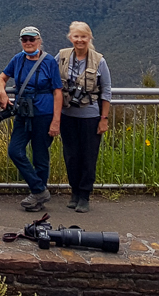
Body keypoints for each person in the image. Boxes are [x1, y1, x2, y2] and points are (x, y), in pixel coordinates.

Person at [0, 26, 63, 212]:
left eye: (32, 39)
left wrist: (56, 120)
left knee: (40, 156)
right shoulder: (17, 59)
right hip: (23, 113)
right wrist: (2, 94)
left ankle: (37, 199)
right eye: (25, 39)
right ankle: (39, 189)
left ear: (39, 41)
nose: (28, 43)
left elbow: (58, 92)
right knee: (15, 151)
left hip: (44, 114)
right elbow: (1, 78)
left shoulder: (49, 61)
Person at [57, 21, 113, 213]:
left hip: (90, 116)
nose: (80, 40)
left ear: (89, 38)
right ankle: (74, 192)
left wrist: (104, 119)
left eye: (83, 37)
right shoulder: (62, 57)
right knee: (71, 155)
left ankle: (84, 195)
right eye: (76, 36)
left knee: (89, 156)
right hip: (67, 115)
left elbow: (106, 90)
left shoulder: (99, 61)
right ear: (70, 38)